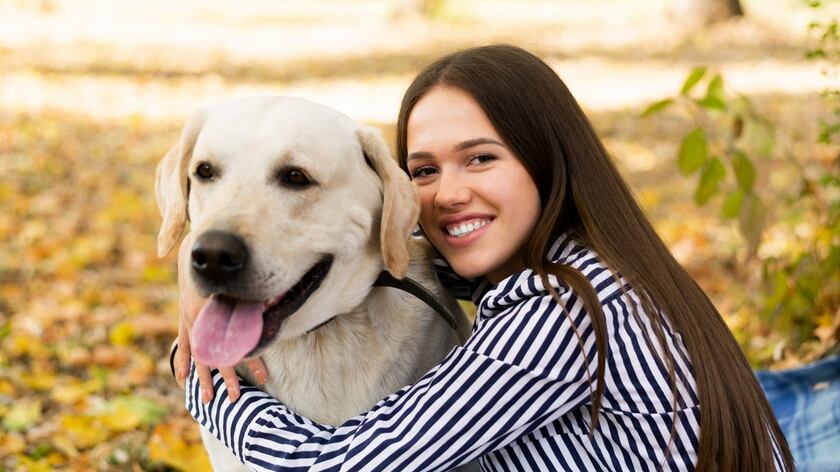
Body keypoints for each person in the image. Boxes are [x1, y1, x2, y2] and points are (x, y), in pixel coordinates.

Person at [173, 45, 794, 471]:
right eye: (424, 170)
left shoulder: (561, 318)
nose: (448, 193)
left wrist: (208, 388)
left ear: (546, 159)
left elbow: (338, 464)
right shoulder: (583, 266)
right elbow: (386, 258)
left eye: (481, 158)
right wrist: (205, 267)